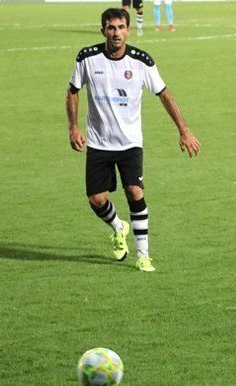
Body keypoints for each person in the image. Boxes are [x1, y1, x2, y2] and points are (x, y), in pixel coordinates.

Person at [66, 8, 200, 271]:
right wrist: (73, 127)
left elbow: (163, 94)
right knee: (97, 199)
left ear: (128, 30)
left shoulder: (141, 61)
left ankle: (143, 255)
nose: (116, 33)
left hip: (130, 143)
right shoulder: (87, 58)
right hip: (98, 142)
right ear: (103, 30)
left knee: (134, 192)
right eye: (111, 28)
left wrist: (183, 129)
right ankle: (118, 227)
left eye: (120, 27)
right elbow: (72, 91)